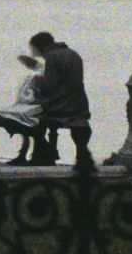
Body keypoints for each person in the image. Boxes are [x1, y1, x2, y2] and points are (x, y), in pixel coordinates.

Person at [25, 30, 94, 169]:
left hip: (61, 105)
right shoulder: (73, 54)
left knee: (26, 117)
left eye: (34, 49)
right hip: (79, 104)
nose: (35, 54)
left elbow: (49, 86)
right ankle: (52, 152)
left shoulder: (52, 56)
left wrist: (36, 80)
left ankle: (45, 152)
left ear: (40, 46)